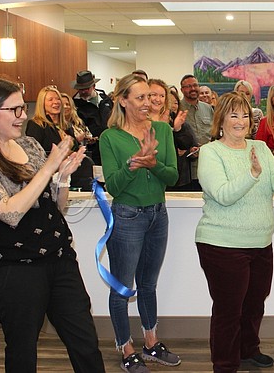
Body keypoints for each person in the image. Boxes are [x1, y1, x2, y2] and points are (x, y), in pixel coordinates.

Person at [0, 78, 105, 373]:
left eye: (23, 107)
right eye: (15, 109)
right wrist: (49, 167)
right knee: (22, 351)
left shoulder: (30, 145)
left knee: (85, 343)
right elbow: (9, 212)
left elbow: (54, 206)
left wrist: (62, 177)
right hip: (14, 269)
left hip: (59, 260)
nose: (23, 115)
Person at [195, 92, 274, 373]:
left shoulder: (261, 147)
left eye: (245, 116)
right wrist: (251, 174)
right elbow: (224, 195)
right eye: (234, 115)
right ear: (221, 120)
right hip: (221, 244)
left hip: (261, 242)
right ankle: (225, 365)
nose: (240, 121)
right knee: (229, 310)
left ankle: (248, 351)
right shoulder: (211, 152)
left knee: (254, 303)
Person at [99, 73, 181, 373]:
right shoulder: (110, 138)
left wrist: (153, 163)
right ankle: (125, 347)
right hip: (128, 216)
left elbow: (172, 176)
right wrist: (135, 162)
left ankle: (150, 343)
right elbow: (115, 187)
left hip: (158, 214)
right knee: (122, 288)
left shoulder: (162, 129)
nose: (149, 102)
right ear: (123, 100)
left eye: (150, 97)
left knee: (148, 284)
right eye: (141, 97)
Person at [148, 78, 198, 190]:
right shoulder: (139, 122)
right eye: (153, 95)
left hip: (172, 177)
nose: (158, 99)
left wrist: (177, 128)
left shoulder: (173, 120)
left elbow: (186, 144)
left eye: (162, 96)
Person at [179, 74, 214, 190]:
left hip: (208, 167)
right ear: (182, 90)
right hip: (186, 171)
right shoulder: (177, 109)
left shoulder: (208, 108)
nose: (193, 88)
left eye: (195, 85)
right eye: (188, 86)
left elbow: (214, 134)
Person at [71, 70, 108, 164]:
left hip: (108, 144)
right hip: (91, 149)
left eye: (86, 88)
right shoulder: (74, 105)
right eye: (80, 89)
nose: (83, 91)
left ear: (94, 86)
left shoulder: (105, 99)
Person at [25, 85, 70, 155]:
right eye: (50, 99)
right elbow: (34, 153)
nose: (56, 102)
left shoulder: (67, 125)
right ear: (42, 103)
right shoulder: (36, 125)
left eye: (58, 99)